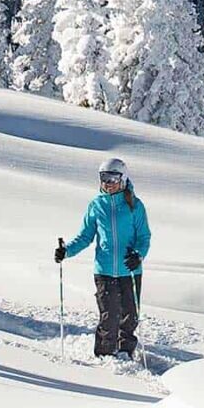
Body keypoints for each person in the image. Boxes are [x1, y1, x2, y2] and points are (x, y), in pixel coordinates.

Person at [56, 155, 152, 362]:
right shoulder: (96, 205)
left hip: (130, 270)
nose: (108, 183)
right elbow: (85, 236)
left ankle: (126, 351)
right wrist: (67, 251)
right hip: (104, 270)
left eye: (113, 178)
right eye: (104, 178)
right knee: (109, 315)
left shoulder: (135, 206)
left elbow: (144, 237)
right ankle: (105, 355)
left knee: (130, 316)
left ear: (123, 179)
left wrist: (138, 255)